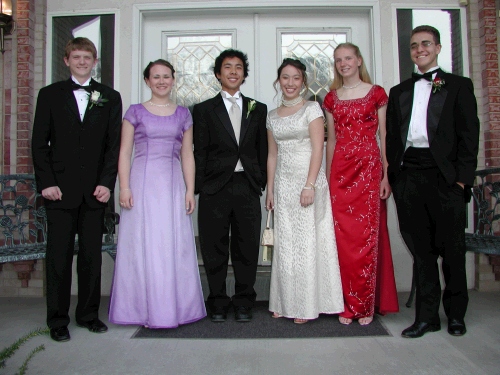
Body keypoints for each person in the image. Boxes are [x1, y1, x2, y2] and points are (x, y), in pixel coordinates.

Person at [386, 25, 479, 338]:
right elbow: (391, 139)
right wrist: (396, 178)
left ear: (438, 48)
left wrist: (462, 183)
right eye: (414, 46)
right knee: (422, 253)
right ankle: (427, 317)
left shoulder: (458, 86)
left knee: (452, 251)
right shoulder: (399, 91)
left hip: (445, 179)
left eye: (425, 44)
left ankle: (455, 315)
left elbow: (469, 137)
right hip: (409, 177)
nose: (419, 50)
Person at [31, 37, 122, 342]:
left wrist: (107, 184)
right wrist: (47, 184)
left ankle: (88, 315)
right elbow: (39, 145)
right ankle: (57, 320)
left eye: (88, 57)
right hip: (59, 191)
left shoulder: (110, 96)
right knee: (58, 257)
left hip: (95, 192)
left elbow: (113, 146)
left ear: (95, 62)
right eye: (77, 57)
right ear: (67, 60)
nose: (83, 62)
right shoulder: (49, 95)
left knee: (91, 257)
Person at [109, 59, 206, 328]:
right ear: (147, 81)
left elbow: (188, 154)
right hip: (142, 185)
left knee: (172, 244)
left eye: (166, 76)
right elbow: (124, 153)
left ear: (173, 80)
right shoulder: (135, 112)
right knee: (144, 244)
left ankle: (175, 308)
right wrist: (124, 187)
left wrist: (189, 189)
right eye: (156, 76)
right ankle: (142, 309)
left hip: (173, 184)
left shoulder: (184, 114)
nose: (161, 81)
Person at [323, 43, 399, 326]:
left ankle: (366, 304)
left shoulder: (376, 93)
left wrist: (386, 174)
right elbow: (331, 141)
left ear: (358, 60)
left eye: (348, 58)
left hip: (369, 171)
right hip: (341, 172)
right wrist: (329, 178)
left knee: (366, 238)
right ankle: (345, 302)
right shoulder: (331, 98)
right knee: (343, 239)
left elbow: (385, 136)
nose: (343, 63)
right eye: (338, 60)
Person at [266, 58, 344, 324]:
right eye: (285, 78)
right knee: (286, 245)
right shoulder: (272, 115)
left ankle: (306, 304)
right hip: (283, 184)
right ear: (279, 81)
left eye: (296, 78)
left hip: (308, 182)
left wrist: (309, 184)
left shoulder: (312, 109)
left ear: (303, 82)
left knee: (307, 243)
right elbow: (272, 155)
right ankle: (284, 301)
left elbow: (318, 148)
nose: (290, 83)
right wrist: (270, 190)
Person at [193, 49, 268, 323]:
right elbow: (198, 151)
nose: (233, 71)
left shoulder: (258, 108)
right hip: (215, 188)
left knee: (246, 247)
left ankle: (245, 301)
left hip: (247, 186)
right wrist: (200, 186)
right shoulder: (203, 110)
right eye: (227, 67)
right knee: (214, 248)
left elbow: (262, 149)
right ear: (218, 73)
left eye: (238, 67)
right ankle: (217, 302)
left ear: (244, 74)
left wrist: (259, 181)